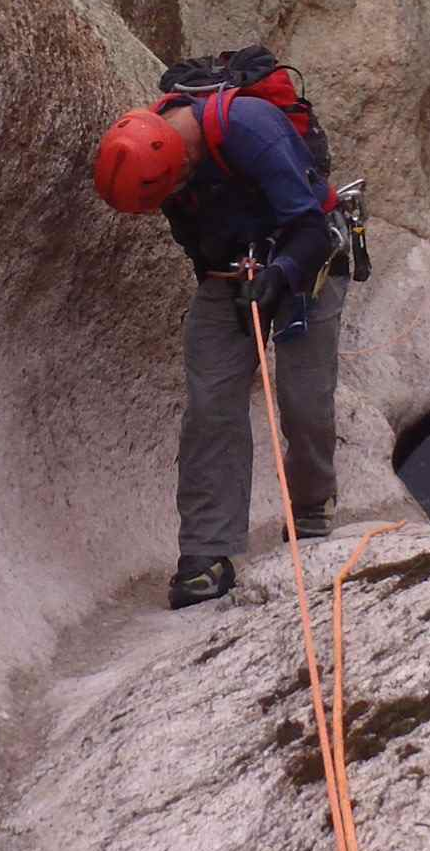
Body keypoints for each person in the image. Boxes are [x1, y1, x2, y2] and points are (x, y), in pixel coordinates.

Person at [93, 63, 348, 609]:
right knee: (211, 406)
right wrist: (230, 281)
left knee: (304, 397)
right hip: (230, 274)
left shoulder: (250, 129)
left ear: (180, 161)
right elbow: (195, 240)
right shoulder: (151, 156)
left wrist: (279, 278)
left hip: (308, 260)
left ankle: (310, 504)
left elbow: (308, 226)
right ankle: (205, 555)